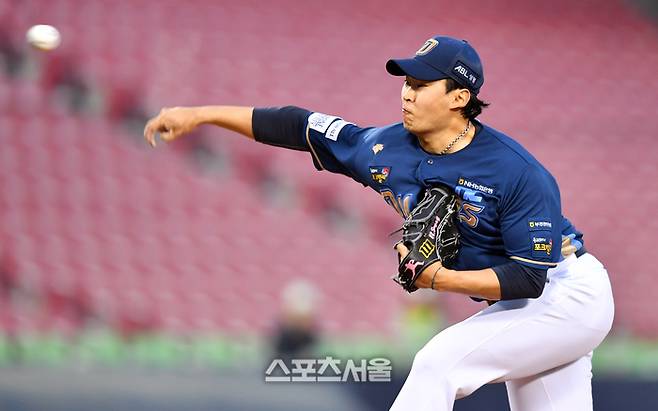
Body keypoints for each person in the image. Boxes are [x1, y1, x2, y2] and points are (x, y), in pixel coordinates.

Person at [144, 35, 614, 410]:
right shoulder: (382, 148)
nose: (407, 92)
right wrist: (202, 115)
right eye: (406, 81)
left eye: (421, 84)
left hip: (566, 291)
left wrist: (439, 279)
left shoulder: (516, 172)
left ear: (460, 97)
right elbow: (297, 125)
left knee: (438, 363)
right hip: (528, 305)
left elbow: (529, 277)